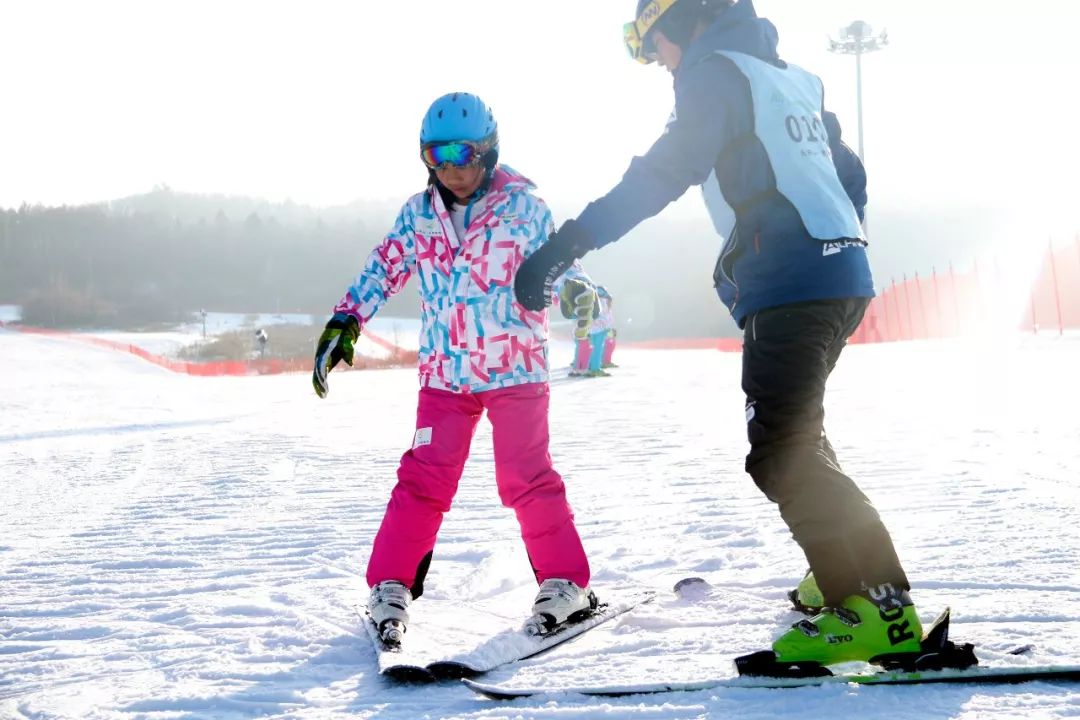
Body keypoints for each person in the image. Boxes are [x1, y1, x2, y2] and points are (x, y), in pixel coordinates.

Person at [513, 0, 923, 671]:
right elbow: (850, 175)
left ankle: (875, 609)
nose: (658, 63)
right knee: (802, 435)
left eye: (653, 46)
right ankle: (842, 571)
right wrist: (839, 240)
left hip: (792, 281)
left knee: (778, 452)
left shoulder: (714, 75)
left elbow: (658, 176)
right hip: (840, 272)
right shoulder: (787, 75)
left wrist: (564, 248)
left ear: (684, 22)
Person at [313, 92, 600, 645]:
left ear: (488, 152)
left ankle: (566, 583)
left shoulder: (524, 209)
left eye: (462, 154)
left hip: (514, 366)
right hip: (445, 373)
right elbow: (385, 267)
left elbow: (561, 265)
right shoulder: (419, 214)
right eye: (435, 157)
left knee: (526, 477)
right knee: (422, 479)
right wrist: (347, 319)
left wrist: (577, 292)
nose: (451, 169)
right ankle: (391, 585)